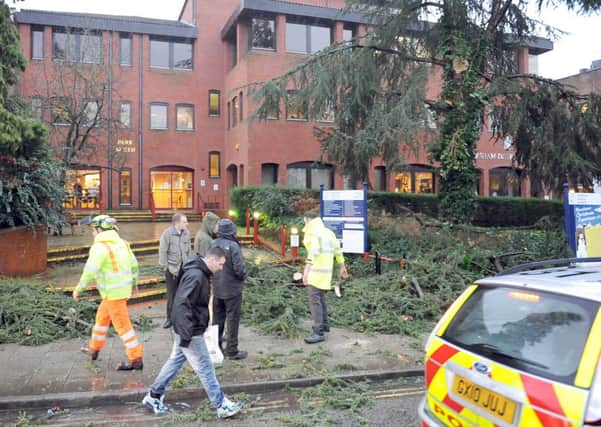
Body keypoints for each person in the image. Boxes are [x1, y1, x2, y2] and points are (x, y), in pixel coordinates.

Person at [142, 247, 244, 419]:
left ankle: (153, 396)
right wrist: (187, 333)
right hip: (190, 331)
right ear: (211, 260)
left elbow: (184, 302)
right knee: (205, 368)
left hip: (186, 329)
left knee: (174, 362)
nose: (220, 269)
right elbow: (182, 304)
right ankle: (221, 405)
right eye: (220, 264)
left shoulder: (198, 273)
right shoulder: (197, 276)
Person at [73, 215, 143, 370]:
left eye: (92, 229)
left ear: (98, 229)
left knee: (123, 326)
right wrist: (134, 284)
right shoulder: (122, 243)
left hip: (113, 294)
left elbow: (89, 272)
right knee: (101, 319)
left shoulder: (99, 248)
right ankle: (94, 349)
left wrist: (78, 289)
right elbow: (134, 266)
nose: (92, 233)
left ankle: (136, 358)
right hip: (118, 292)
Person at [302, 211, 348, 344]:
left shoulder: (312, 232)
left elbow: (313, 252)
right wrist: (342, 266)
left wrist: (306, 271)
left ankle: (318, 332)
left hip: (315, 272)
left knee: (315, 302)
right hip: (326, 273)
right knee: (321, 299)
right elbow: (337, 250)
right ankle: (325, 325)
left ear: (307, 220)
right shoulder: (328, 232)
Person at [209, 218, 247, 360]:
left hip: (217, 287)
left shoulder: (212, 244)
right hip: (232, 289)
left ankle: (216, 347)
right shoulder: (233, 246)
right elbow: (239, 268)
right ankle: (232, 350)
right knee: (232, 319)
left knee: (217, 319)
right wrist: (242, 277)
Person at [159, 213, 191, 329]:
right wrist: (165, 266)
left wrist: (189, 264)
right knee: (172, 296)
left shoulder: (186, 233)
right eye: (184, 222)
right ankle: (169, 319)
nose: (187, 224)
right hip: (172, 269)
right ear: (176, 223)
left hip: (184, 268)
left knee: (184, 295)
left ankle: (181, 317)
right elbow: (162, 251)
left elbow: (189, 250)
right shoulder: (167, 234)